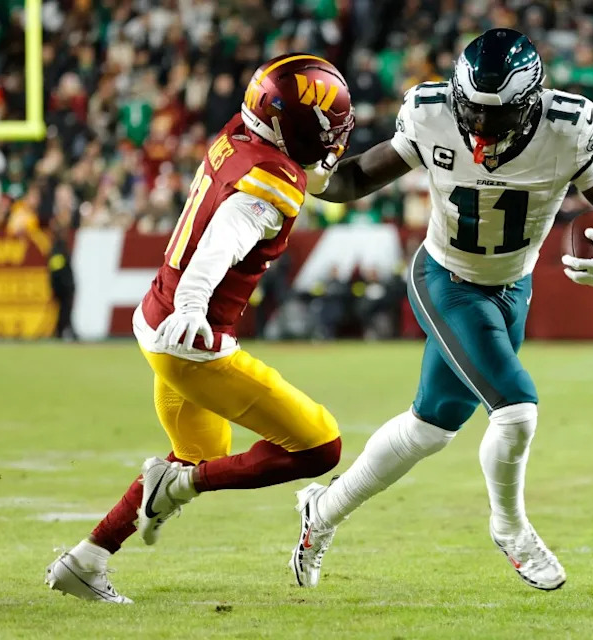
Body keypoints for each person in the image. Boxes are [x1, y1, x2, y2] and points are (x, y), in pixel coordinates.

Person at [289, 29, 593, 592]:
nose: (480, 126)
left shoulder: (567, 128)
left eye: (496, 115)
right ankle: (510, 528)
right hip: (445, 279)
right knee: (516, 410)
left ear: (529, 105)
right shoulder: (431, 113)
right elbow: (356, 177)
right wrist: (305, 173)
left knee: (429, 428)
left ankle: (322, 512)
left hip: (512, 290)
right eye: (471, 110)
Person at [45, 54, 355, 603]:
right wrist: (193, 304)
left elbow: (285, 174)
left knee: (201, 448)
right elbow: (222, 242)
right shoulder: (270, 185)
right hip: (193, 341)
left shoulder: (238, 135)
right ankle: (179, 486)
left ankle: (87, 559)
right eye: (327, 126)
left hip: (156, 322)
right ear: (297, 127)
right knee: (320, 447)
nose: (334, 136)